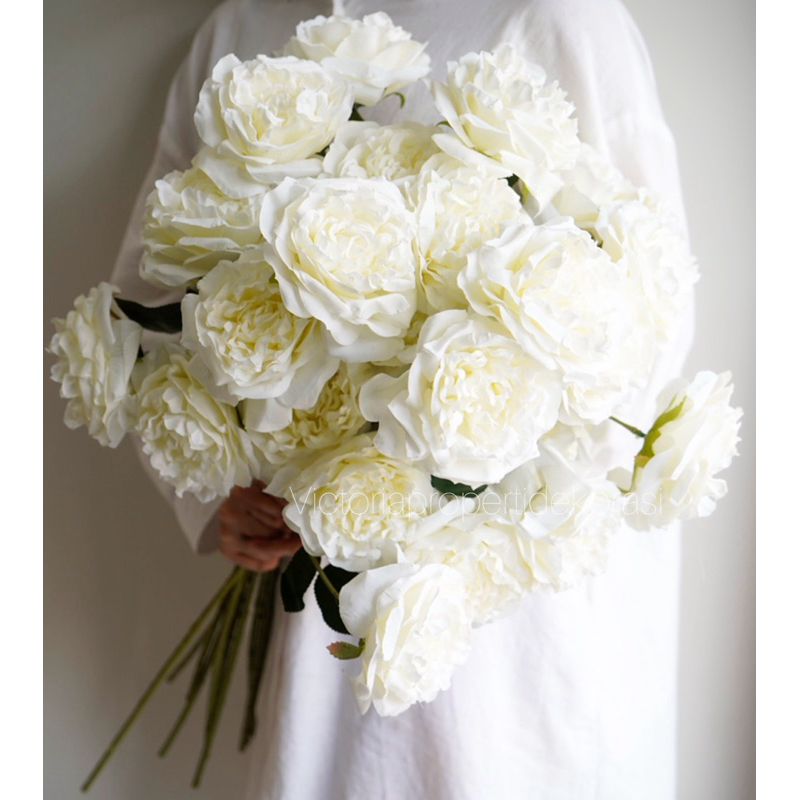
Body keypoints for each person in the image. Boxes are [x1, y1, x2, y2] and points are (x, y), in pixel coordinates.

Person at [111, 1, 693, 797]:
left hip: (515, 610)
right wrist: (216, 491)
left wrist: (468, 450)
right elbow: (145, 302)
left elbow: (653, 306)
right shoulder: (240, 32)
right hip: (316, 565)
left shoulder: (559, 20)